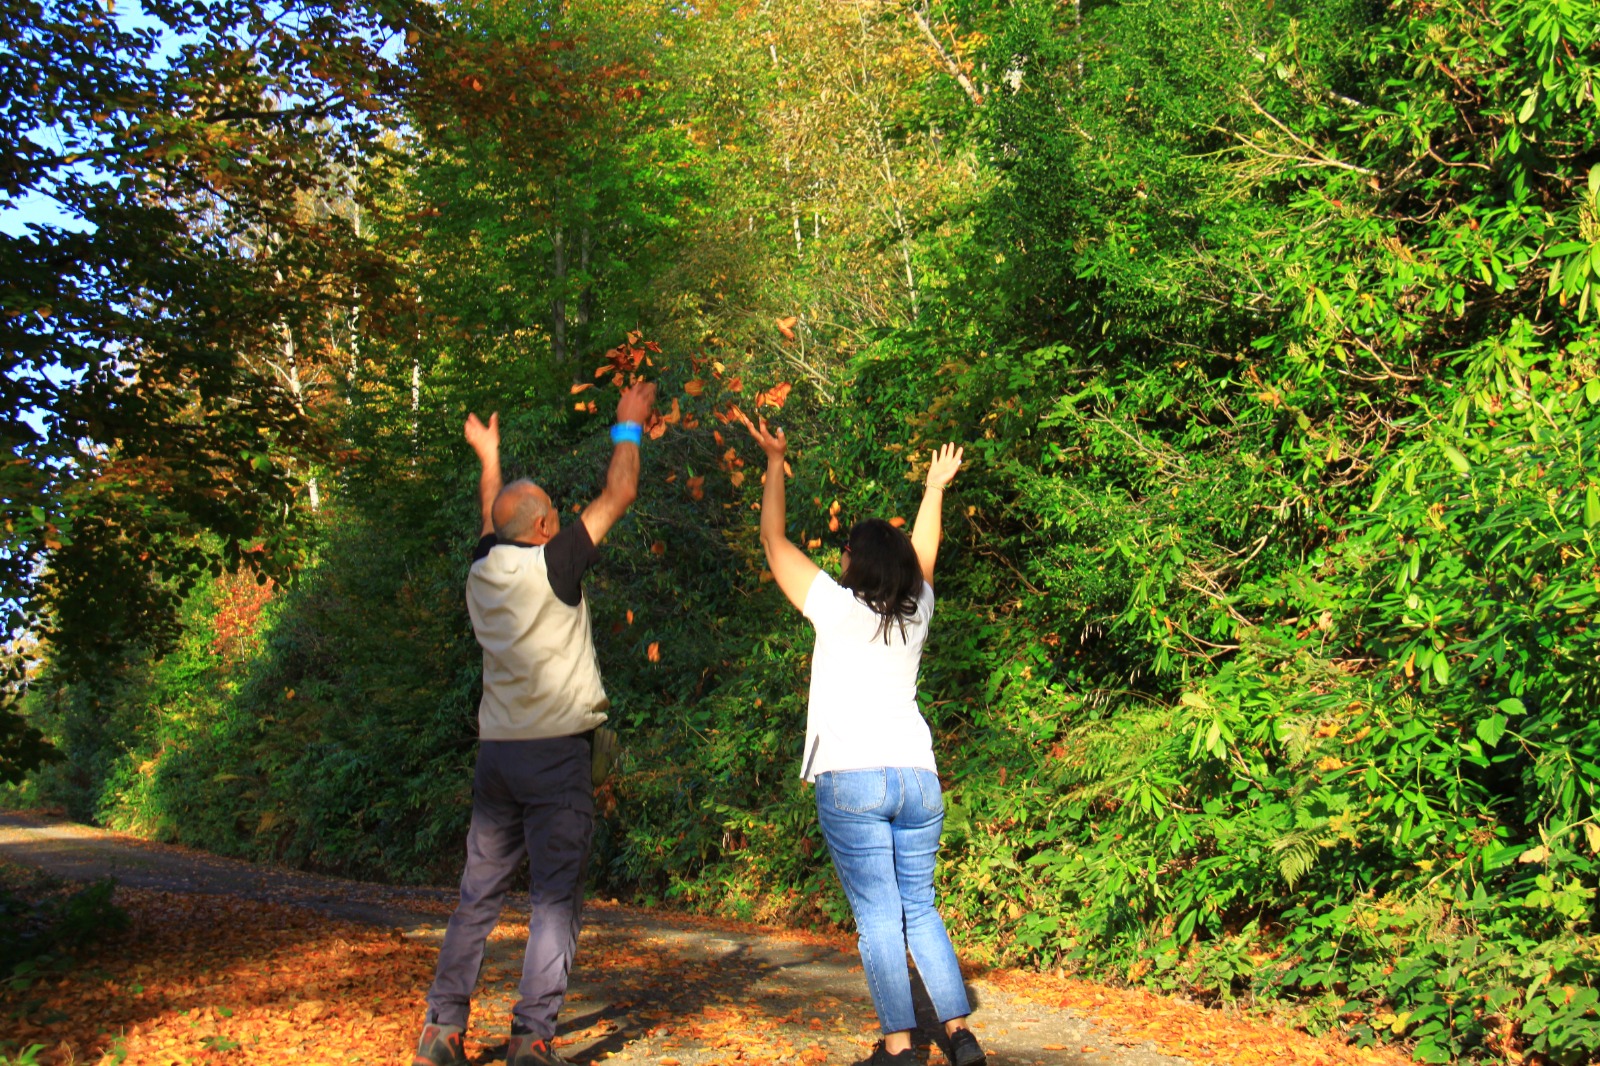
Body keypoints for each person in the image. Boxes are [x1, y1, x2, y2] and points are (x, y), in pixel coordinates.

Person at [414, 381, 657, 1066]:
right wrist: (627, 427)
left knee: (477, 897)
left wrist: (488, 455)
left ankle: (441, 1030)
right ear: (546, 527)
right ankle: (531, 1037)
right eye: (553, 512)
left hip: (497, 759)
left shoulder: (481, 571)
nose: (559, 518)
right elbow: (618, 498)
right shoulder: (556, 565)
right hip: (555, 758)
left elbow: (490, 522)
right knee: (553, 899)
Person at [741, 413, 986, 1066]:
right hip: (917, 777)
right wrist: (935, 490)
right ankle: (960, 1035)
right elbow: (925, 556)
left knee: (879, 918)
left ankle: (901, 1046)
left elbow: (772, 541)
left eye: (846, 552)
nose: (839, 559)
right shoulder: (919, 610)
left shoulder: (835, 606)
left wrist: (773, 461)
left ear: (857, 562)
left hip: (854, 778)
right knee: (921, 909)